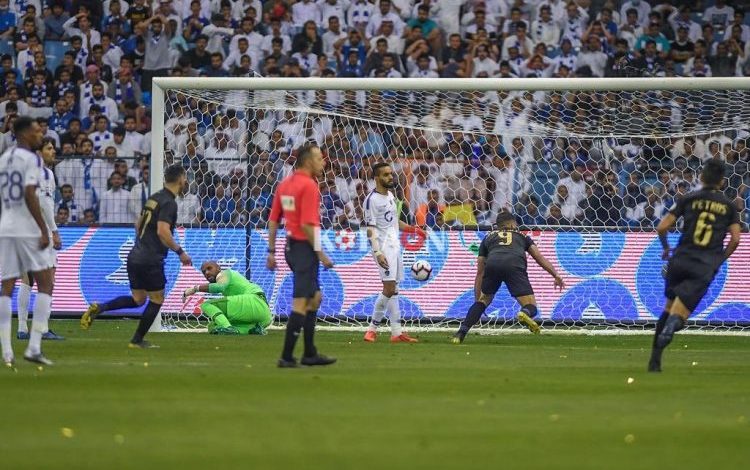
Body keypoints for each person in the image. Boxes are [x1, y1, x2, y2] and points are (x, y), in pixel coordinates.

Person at [80, 164, 193, 349]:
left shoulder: (153, 198)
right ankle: (137, 340)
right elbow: (162, 231)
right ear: (181, 179)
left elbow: (138, 224)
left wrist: (142, 244)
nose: (186, 181)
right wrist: (181, 252)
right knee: (157, 300)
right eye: (185, 178)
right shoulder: (169, 203)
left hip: (135, 256)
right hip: (150, 259)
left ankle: (100, 308)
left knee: (138, 299)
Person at [648, 160, 741, 372]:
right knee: (679, 315)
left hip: (679, 259)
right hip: (704, 264)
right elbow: (736, 239)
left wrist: (665, 249)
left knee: (669, 307)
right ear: (722, 181)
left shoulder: (687, 198)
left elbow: (662, 227)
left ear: (701, 177)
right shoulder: (728, 206)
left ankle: (654, 361)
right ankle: (671, 328)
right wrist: (720, 259)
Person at [267, 143, 336, 368]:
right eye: (319, 158)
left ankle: (309, 353)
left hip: (291, 247)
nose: (323, 162)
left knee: (315, 299)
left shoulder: (285, 185)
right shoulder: (309, 186)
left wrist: (271, 251)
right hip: (305, 248)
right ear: (308, 161)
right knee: (300, 303)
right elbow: (307, 225)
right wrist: (321, 253)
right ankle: (286, 357)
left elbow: (274, 219)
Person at [452, 211, 565, 344]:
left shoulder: (488, 238)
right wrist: (555, 274)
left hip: (492, 264)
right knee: (531, 305)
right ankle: (525, 313)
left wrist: (477, 301)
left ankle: (460, 333)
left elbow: (480, 272)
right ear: (512, 223)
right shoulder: (522, 236)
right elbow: (539, 257)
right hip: (514, 265)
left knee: (484, 301)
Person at [0, 116, 55, 367]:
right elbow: (29, 193)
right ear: (24, 134)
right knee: (46, 282)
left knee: (7, 286)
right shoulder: (31, 159)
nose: (39, 134)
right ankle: (33, 347)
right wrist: (44, 229)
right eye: (35, 131)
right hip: (26, 226)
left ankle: (7, 351)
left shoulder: (4, 158)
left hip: (6, 225)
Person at [363, 162, 423, 343]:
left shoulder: (389, 195)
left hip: (394, 246)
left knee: (394, 290)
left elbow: (395, 222)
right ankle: (371, 329)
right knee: (388, 289)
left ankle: (396, 333)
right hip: (382, 248)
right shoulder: (371, 200)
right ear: (377, 178)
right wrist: (377, 252)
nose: (391, 177)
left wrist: (415, 230)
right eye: (386, 175)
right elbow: (370, 229)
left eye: (391, 174)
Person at [16, 137, 65, 341]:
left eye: (54, 148)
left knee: (27, 279)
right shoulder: (45, 173)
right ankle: (42, 328)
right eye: (49, 148)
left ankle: (22, 328)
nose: (53, 151)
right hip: (40, 232)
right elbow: (44, 204)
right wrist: (53, 230)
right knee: (48, 281)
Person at [182, 261, 272, 335]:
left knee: (206, 304)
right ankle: (253, 330)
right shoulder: (229, 280)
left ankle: (228, 328)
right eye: (204, 271)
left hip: (254, 301)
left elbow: (219, 287)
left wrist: (194, 289)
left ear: (218, 268)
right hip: (265, 318)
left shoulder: (225, 273)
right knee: (213, 326)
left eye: (209, 268)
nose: (207, 273)